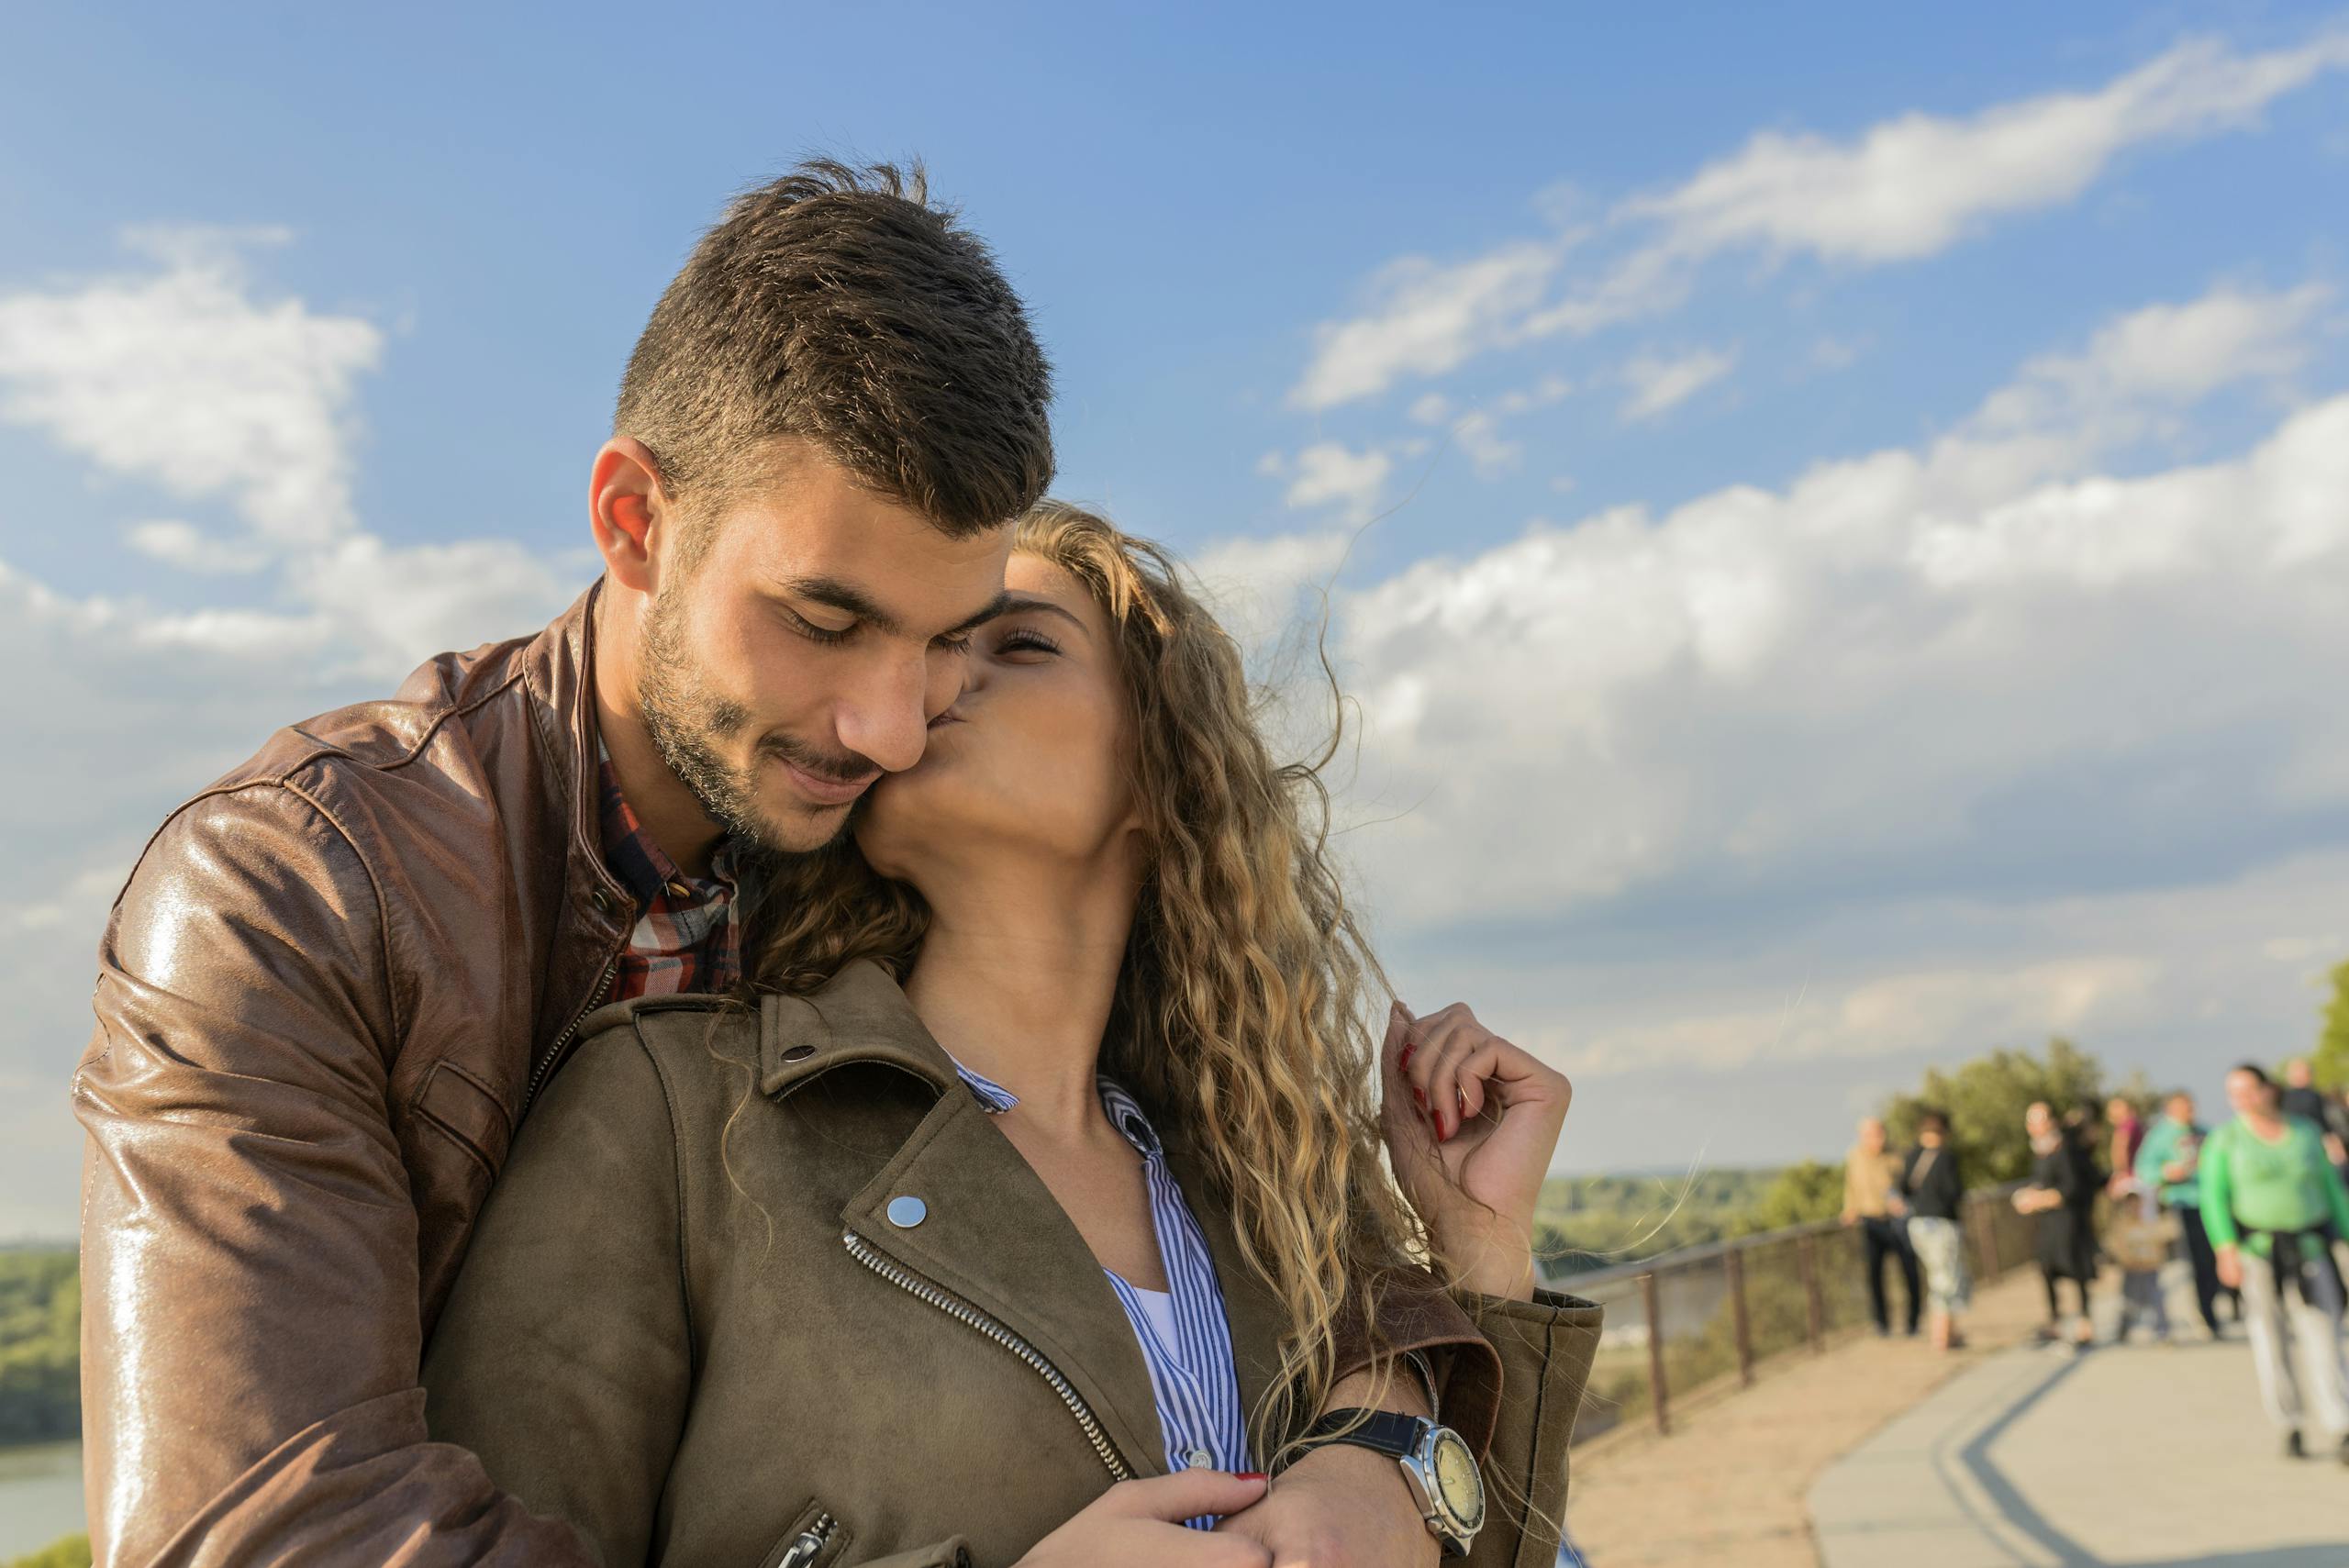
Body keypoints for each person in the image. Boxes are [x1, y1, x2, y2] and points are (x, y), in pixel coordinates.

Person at [72, 165, 1493, 1564]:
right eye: (824, 617)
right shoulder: (290, 891)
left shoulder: (878, 883)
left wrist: (1397, 1429)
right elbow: (262, 1532)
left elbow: (1299, 1232)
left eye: (952, 636)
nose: (895, 722)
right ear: (634, 521)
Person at [420, 504, 1601, 1564]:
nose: (932, 683)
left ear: (1162, 774)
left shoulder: (1268, 1191)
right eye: (931, 648)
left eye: (1016, 643)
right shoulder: (673, 1111)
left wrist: (1480, 1253)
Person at [2203, 1062, 2349, 1462]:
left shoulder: (2304, 1133)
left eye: (2249, 1090)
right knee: (2270, 1336)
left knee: (2323, 1330)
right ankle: (2290, 1421)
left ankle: (2339, 1421)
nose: (2242, 1101)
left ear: (2268, 1090)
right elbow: (2213, 1197)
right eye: (2234, 1094)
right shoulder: (2226, 1140)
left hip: (2308, 1245)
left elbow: (2331, 1189)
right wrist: (2225, 1248)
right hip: (2259, 1251)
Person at [2136, 1091, 2232, 1337]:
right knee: (2195, 1261)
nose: (2189, 1112)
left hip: (2210, 1201)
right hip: (2181, 1204)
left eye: (2191, 1106)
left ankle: (2220, 1304)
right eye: (2184, 1107)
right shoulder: (2159, 1136)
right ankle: (2204, 1314)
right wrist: (2165, 1173)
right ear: (2171, 1109)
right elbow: (2144, 1169)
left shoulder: (2205, 1132)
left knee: (2214, 1257)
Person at [2015, 1101, 2100, 1350]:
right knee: (2047, 1269)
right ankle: (2056, 1324)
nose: (2034, 1126)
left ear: (2051, 1122)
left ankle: (2085, 1325)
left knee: (2076, 1269)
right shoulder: (2041, 1151)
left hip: (2068, 1220)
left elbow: (2071, 1187)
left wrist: (2039, 1199)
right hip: (2049, 1221)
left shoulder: (2064, 1149)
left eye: (2039, 1119)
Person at [1842, 1118, 1921, 1337]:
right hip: (1870, 1221)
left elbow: (1910, 1186)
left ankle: (1913, 1321)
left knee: (1909, 1272)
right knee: (1874, 1275)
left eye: (1878, 1133)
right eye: (1869, 1134)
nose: (1875, 1139)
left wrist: (1903, 1202)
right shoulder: (1854, 1157)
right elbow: (1850, 1187)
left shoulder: (1897, 1155)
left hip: (1897, 1222)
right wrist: (1849, 1209)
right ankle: (1881, 1323)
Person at [1899, 1110, 1969, 1351]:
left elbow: (1903, 1189)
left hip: (1918, 1225)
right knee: (1947, 1278)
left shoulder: (1912, 1156)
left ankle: (1945, 1332)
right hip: (1942, 1224)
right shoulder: (1946, 1158)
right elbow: (1955, 1192)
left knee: (1936, 1275)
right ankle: (1942, 1335)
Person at [2279, 1057, 2349, 1171]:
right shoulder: (2314, 1097)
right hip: (2320, 1150)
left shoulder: (2280, 1100)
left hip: (2293, 1155)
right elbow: (2327, 1125)